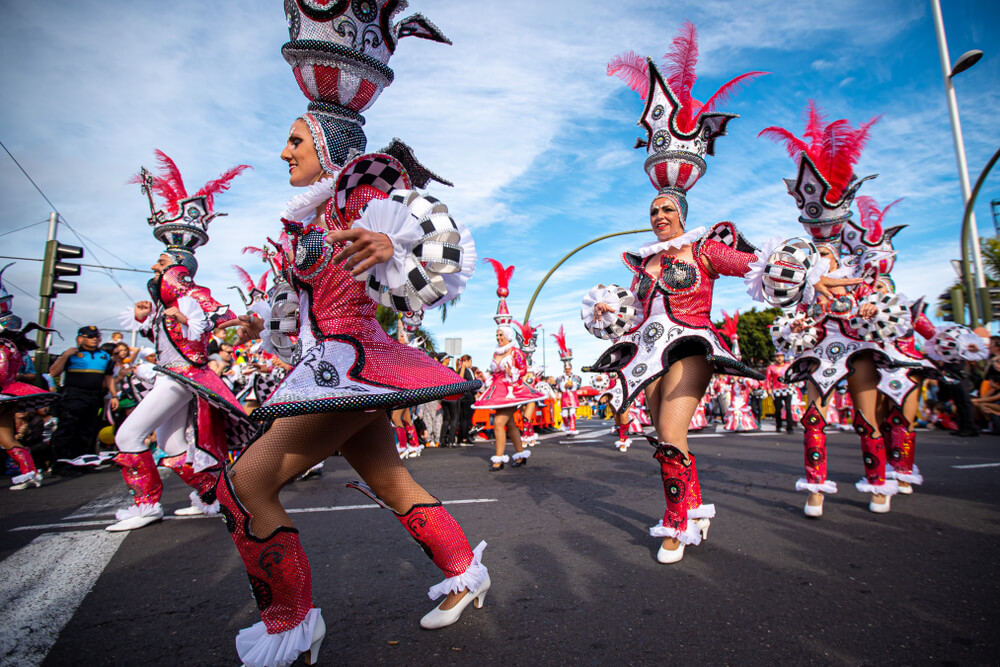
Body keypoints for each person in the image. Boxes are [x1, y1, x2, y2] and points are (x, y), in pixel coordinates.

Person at [213, 6, 485, 664]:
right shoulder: (305, 220)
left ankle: (291, 620)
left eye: (295, 142)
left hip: (351, 363)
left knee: (245, 483)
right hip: (331, 365)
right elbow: (296, 304)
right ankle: (463, 569)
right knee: (390, 479)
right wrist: (256, 323)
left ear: (329, 151)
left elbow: (435, 236)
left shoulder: (359, 192)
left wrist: (388, 238)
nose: (284, 152)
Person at [585, 30, 833, 563]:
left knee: (672, 429)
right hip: (647, 349)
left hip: (691, 344)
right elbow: (633, 313)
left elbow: (757, 264)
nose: (659, 217)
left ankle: (676, 523)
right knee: (662, 431)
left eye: (667, 210)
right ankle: (691, 505)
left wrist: (811, 274)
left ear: (683, 215)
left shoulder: (705, 251)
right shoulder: (642, 262)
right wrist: (611, 313)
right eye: (653, 211)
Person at [110, 152, 255, 531]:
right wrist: (150, 317)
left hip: (180, 377)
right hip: (168, 376)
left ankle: (145, 504)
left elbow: (215, 313)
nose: (155, 267)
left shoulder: (186, 295)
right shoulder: (168, 305)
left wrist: (214, 319)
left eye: (161, 264)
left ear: (174, 271)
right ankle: (212, 499)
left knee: (128, 434)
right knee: (172, 445)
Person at [473, 259, 545, 470]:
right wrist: (484, 376)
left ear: (508, 335)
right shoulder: (496, 352)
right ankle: (520, 454)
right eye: (497, 334)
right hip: (497, 390)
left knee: (498, 423)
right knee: (510, 423)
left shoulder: (515, 352)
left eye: (501, 334)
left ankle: (498, 459)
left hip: (512, 391)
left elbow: (522, 370)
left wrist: (511, 371)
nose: (498, 337)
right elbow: (493, 373)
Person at [0, 263, 58, 489]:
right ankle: (30, 471)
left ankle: (29, 471)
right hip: (10, 394)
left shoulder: (4, 347)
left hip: (4, 392)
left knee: (6, 437)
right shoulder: (14, 347)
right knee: (6, 438)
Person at [48, 325, 117, 471]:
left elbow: (108, 377)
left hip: (94, 396)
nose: (94, 339)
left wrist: (114, 395)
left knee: (88, 430)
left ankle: (83, 462)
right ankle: (61, 463)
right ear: (80, 338)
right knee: (67, 429)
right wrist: (65, 356)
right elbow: (53, 372)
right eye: (90, 336)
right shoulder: (71, 354)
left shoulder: (104, 356)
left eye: (96, 336)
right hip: (73, 395)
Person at [553, 329, 581, 435]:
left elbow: (577, 385)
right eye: (566, 368)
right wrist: (563, 385)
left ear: (571, 369)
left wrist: (572, 384)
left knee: (572, 413)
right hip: (564, 398)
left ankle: (572, 429)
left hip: (572, 397)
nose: (567, 370)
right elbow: (557, 386)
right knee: (564, 414)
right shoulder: (560, 378)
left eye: (569, 368)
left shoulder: (577, 377)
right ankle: (566, 425)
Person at [765, 352, 794, 433]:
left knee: (788, 408)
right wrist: (768, 389)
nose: (779, 358)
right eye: (777, 356)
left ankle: (790, 427)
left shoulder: (788, 366)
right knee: (778, 409)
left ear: (784, 357)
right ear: (775, 357)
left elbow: (793, 376)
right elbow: (767, 379)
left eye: (781, 356)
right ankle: (779, 426)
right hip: (776, 390)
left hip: (787, 389)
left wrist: (793, 384)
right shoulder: (771, 367)